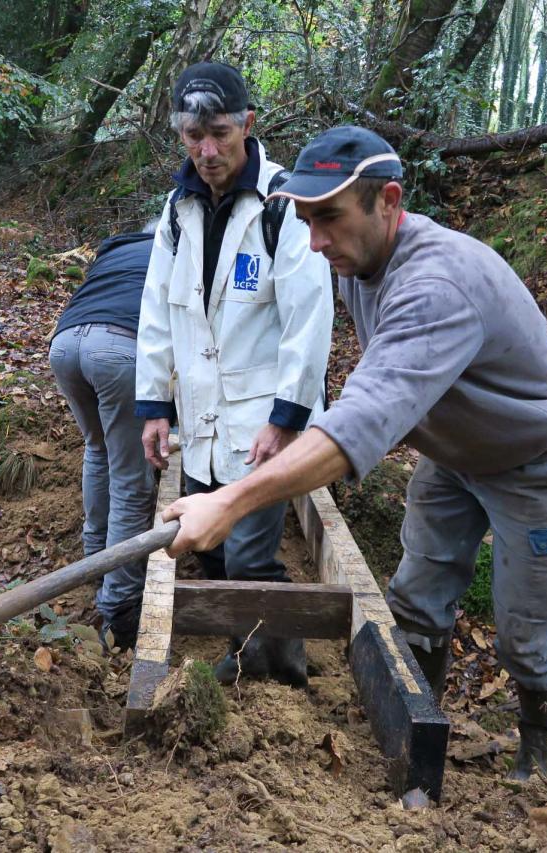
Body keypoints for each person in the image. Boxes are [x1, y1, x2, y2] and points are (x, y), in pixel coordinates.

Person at [163, 126, 547, 780]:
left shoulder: (437, 283)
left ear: (389, 200)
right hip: (451, 447)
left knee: (528, 634)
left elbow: (363, 418)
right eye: (305, 221)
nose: (315, 241)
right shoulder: (360, 261)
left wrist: (230, 499)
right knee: (417, 597)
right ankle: (418, 729)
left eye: (329, 218)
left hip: (529, 455)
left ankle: (546, 764)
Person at [136, 62, 333, 687]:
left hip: (259, 418)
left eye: (220, 133)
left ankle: (268, 670)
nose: (208, 150)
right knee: (215, 547)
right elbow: (157, 310)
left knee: (249, 552)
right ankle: (262, 651)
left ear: (248, 124)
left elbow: (310, 317)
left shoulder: (282, 205)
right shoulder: (178, 208)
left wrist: (288, 420)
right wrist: (153, 404)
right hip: (200, 411)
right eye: (194, 135)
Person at [49, 229, 158, 651]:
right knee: (132, 478)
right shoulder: (179, 246)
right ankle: (119, 603)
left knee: (97, 447)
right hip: (119, 350)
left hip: (65, 343)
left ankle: (96, 558)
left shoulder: (117, 246)